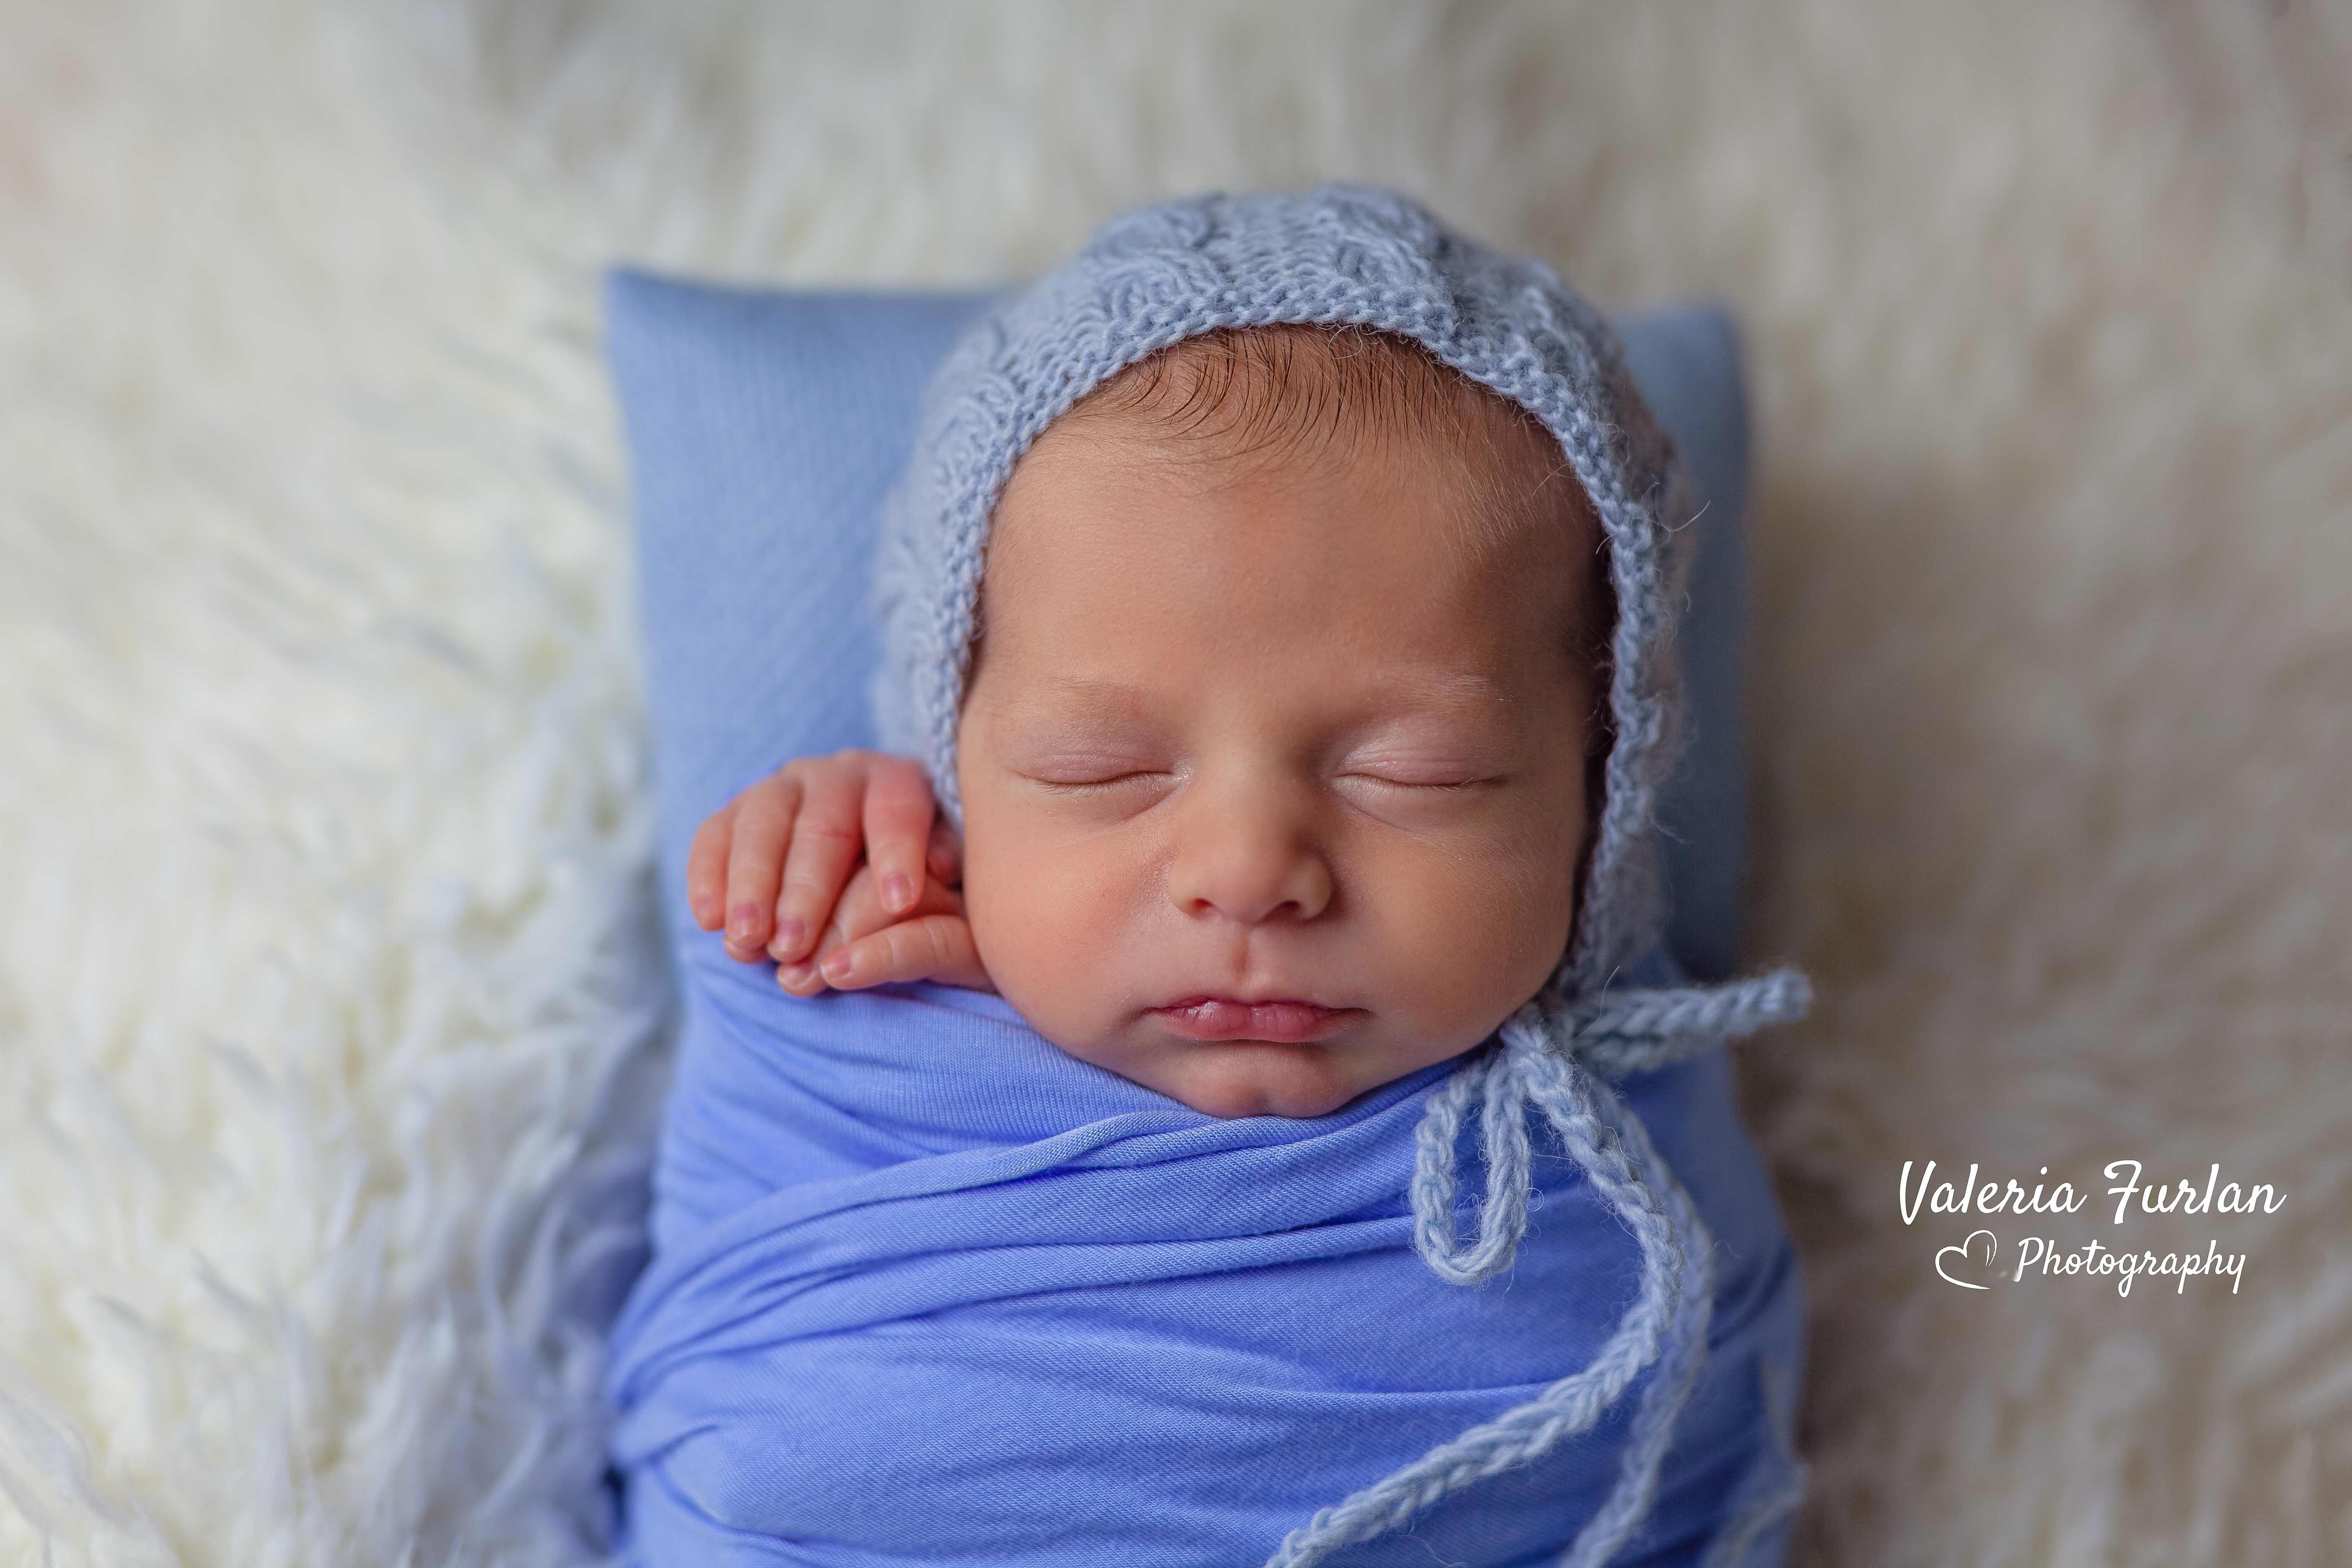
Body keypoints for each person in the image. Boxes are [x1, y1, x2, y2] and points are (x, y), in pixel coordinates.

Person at [608, 186, 1811, 1566]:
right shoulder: (860, 984)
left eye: (1414, 773)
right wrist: (809, 875)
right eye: (1098, 768)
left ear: (1604, 794)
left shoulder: (1628, 1151)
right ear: (954, 768)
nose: (1248, 874)